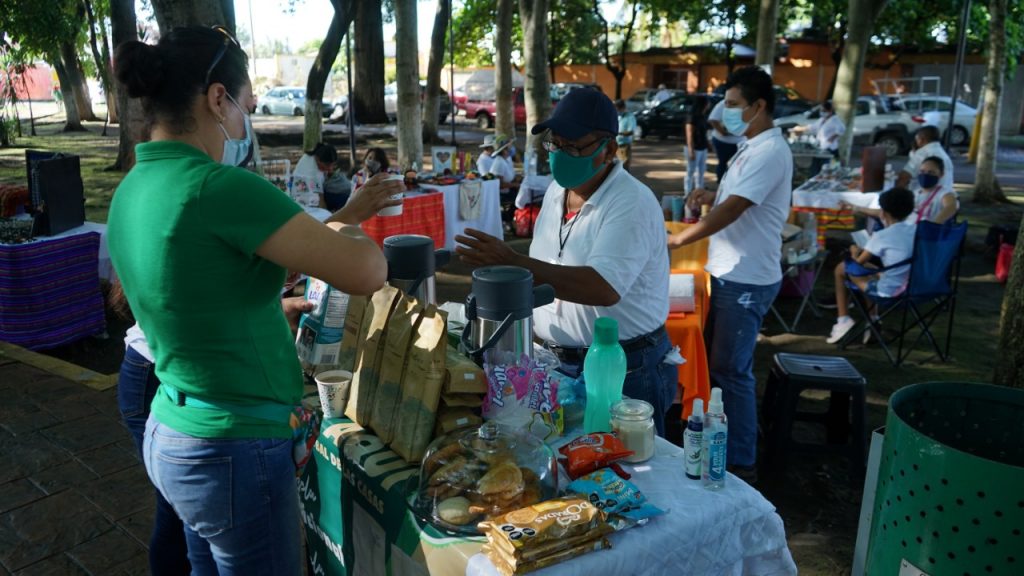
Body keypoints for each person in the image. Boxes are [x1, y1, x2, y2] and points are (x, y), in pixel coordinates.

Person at [109, 26, 401, 574]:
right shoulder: (217, 187)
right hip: (231, 447)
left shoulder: (135, 185)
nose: (245, 123)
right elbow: (368, 272)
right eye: (246, 106)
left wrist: (265, 309)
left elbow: (188, 294)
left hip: (174, 426)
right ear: (217, 99)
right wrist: (352, 224)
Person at [454, 88, 674, 437]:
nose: (559, 155)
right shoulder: (558, 191)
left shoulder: (631, 202)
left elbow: (602, 287)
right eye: (555, 144)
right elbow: (549, 264)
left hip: (624, 371)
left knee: (628, 475)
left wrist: (512, 261)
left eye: (573, 147)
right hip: (556, 366)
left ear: (609, 151)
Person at [667, 66, 792, 480]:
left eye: (736, 105)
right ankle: (716, 443)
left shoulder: (770, 150)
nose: (730, 113)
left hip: (747, 278)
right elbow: (732, 197)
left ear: (760, 106)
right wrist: (711, 193)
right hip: (725, 271)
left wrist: (680, 240)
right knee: (715, 365)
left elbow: (735, 208)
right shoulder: (750, 145)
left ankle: (741, 460)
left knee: (730, 371)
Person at [827, 187, 916, 344]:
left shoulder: (882, 236)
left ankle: (843, 320)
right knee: (873, 271)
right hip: (913, 285)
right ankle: (873, 321)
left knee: (841, 269)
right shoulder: (916, 230)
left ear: (884, 213)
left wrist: (854, 251)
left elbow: (856, 266)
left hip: (889, 291)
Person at [844, 157, 957, 225]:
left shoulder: (944, 193)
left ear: (941, 174)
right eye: (922, 171)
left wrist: (933, 226)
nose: (925, 175)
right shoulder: (914, 193)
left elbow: (951, 206)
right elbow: (887, 212)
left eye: (931, 172)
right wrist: (857, 208)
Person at [896, 125, 954, 193]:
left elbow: (904, 177)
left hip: (925, 198)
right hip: (945, 196)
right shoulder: (944, 154)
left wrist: (895, 195)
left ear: (921, 139)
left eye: (916, 139)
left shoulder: (922, 153)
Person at [708, 98, 745, 182]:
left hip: (740, 141)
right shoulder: (723, 103)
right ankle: (721, 183)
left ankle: (735, 183)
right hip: (722, 141)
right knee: (722, 163)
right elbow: (712, 119)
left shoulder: (749, 103)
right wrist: (722, 132)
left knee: (739, 165)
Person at [292, 142, 338, 208]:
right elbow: (320, 200)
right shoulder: (313, 174)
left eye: (333, 165)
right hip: (305, 201)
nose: (330, 169)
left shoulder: (309, 157)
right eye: (327, 165)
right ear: (318, 159)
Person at [684, 96, 710, 196]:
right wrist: (691, 150)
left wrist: (708, 144)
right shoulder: (691, 116)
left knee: (701, 170)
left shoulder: (703, 116)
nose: (709, 105)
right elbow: (689, 134)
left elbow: (704, 132)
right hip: (694, 148)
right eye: (707, 103)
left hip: (702, 147)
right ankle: (687, 192)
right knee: (690, 171)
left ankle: (699, 190)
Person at [614, 99, 637, 172]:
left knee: (624, 167)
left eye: (617, 109)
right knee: (616, 168)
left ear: (622, 108)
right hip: (615, 145)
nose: (616, 111)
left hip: (624, 146)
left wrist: (618, 133)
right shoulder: (618, 117)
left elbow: (630, 132)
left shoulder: (630, 117)